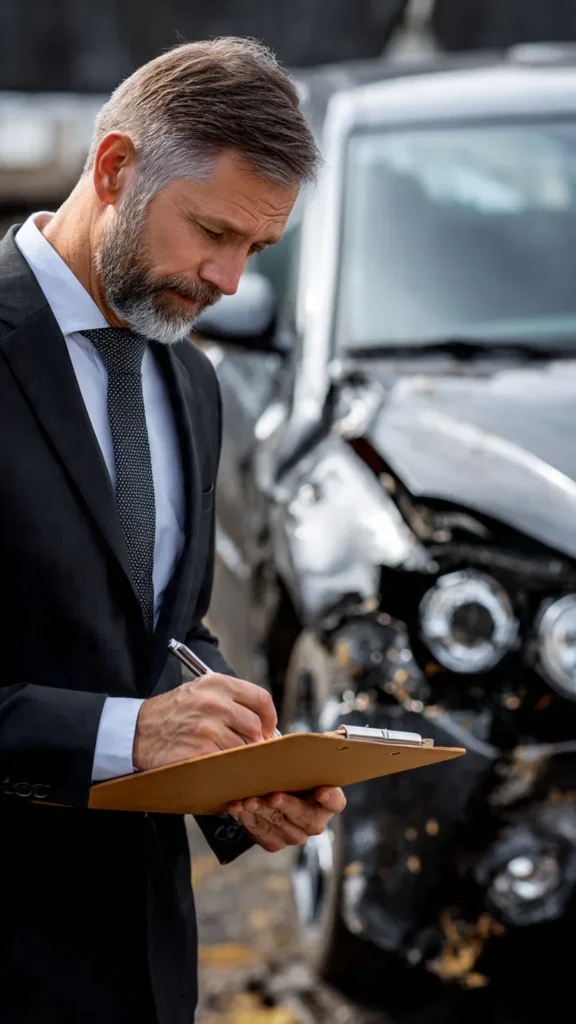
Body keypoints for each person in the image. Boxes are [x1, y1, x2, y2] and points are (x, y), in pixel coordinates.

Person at [0, 37, 345, 1024]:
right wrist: (131, 733)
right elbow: (128, 714)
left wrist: (240, 771)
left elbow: (166, 631)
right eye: (214, 231)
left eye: (257, 251)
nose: (230, 280)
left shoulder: (192, 379)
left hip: (145, 966)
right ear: (114, 169)